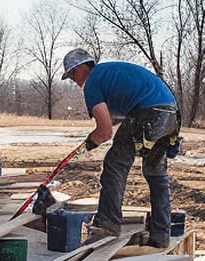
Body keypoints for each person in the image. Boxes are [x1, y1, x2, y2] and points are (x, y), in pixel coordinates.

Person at [61, 48, 181, 249]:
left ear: (83, 67)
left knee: (115, 164)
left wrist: (88, 144)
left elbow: (105, 131)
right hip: (169, 114)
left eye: (73, 73)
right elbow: (114, 120)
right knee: (155, 172)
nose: (73, 79)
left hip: (147, 113)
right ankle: (161, 234)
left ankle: (107, 226)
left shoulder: (93, 82)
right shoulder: (110, 74)